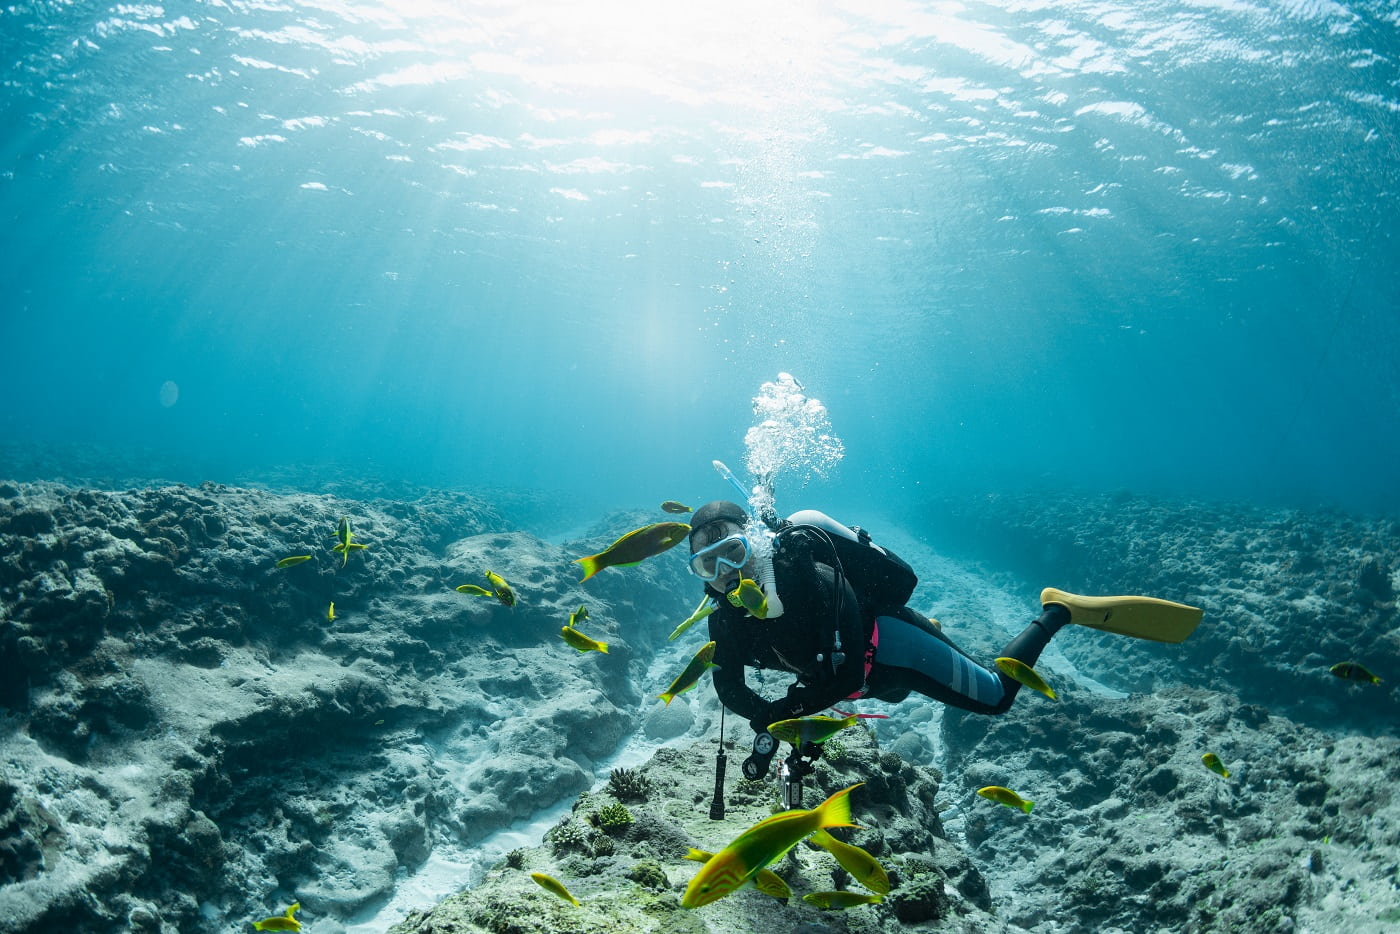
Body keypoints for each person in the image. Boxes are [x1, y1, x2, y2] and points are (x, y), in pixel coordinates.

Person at [686, 500, 1202, 775]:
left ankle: (1057, 611)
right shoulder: (726, 620)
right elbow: (728, 687)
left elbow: (843, 674)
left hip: (888, 645)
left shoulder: (810, 576)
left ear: (752, 542)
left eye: (732, 551)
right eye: (706, 564)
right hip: (861, 685)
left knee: (996, 698)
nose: (724, 572)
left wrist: (787, 709)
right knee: (891, 693)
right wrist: (764, 714)